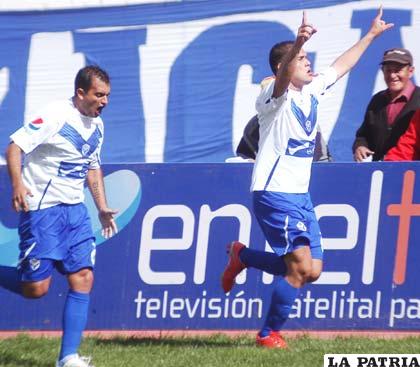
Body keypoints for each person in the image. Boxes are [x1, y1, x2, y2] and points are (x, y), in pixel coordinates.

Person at [221, 8, 392, 348]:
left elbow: (342, 65)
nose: (308, 62)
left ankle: (244, 256)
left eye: (306, 57)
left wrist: (371, 35)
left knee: (311, 269)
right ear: (284, 66)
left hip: (299, 195)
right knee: (298, 267)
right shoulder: (272, 95)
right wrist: (297, 41)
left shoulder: (312, 92)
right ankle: (268, 335)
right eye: (301, 58)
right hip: (274, 192)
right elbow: (282, 78)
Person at [5, 65, 117, 367]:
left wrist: (102, 207)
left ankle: (68, 358)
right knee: (36, 289)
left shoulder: (97, 125)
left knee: (83, 277)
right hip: (43, 211)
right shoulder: (56, 115)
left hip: (76, 212)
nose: (104, 101)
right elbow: (15, 146)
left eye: (107, 95)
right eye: (98, 95)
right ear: (81, 93)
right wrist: (18, 183)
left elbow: (92, 167)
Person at [352, 47, 420, 162]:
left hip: (411, 173)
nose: (393, 75)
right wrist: (360, 146)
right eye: (388, 70)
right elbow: (363, 134)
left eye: (398, 70)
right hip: (378, 173)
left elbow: (409, 143)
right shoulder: (377, 100)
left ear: (411, 71)